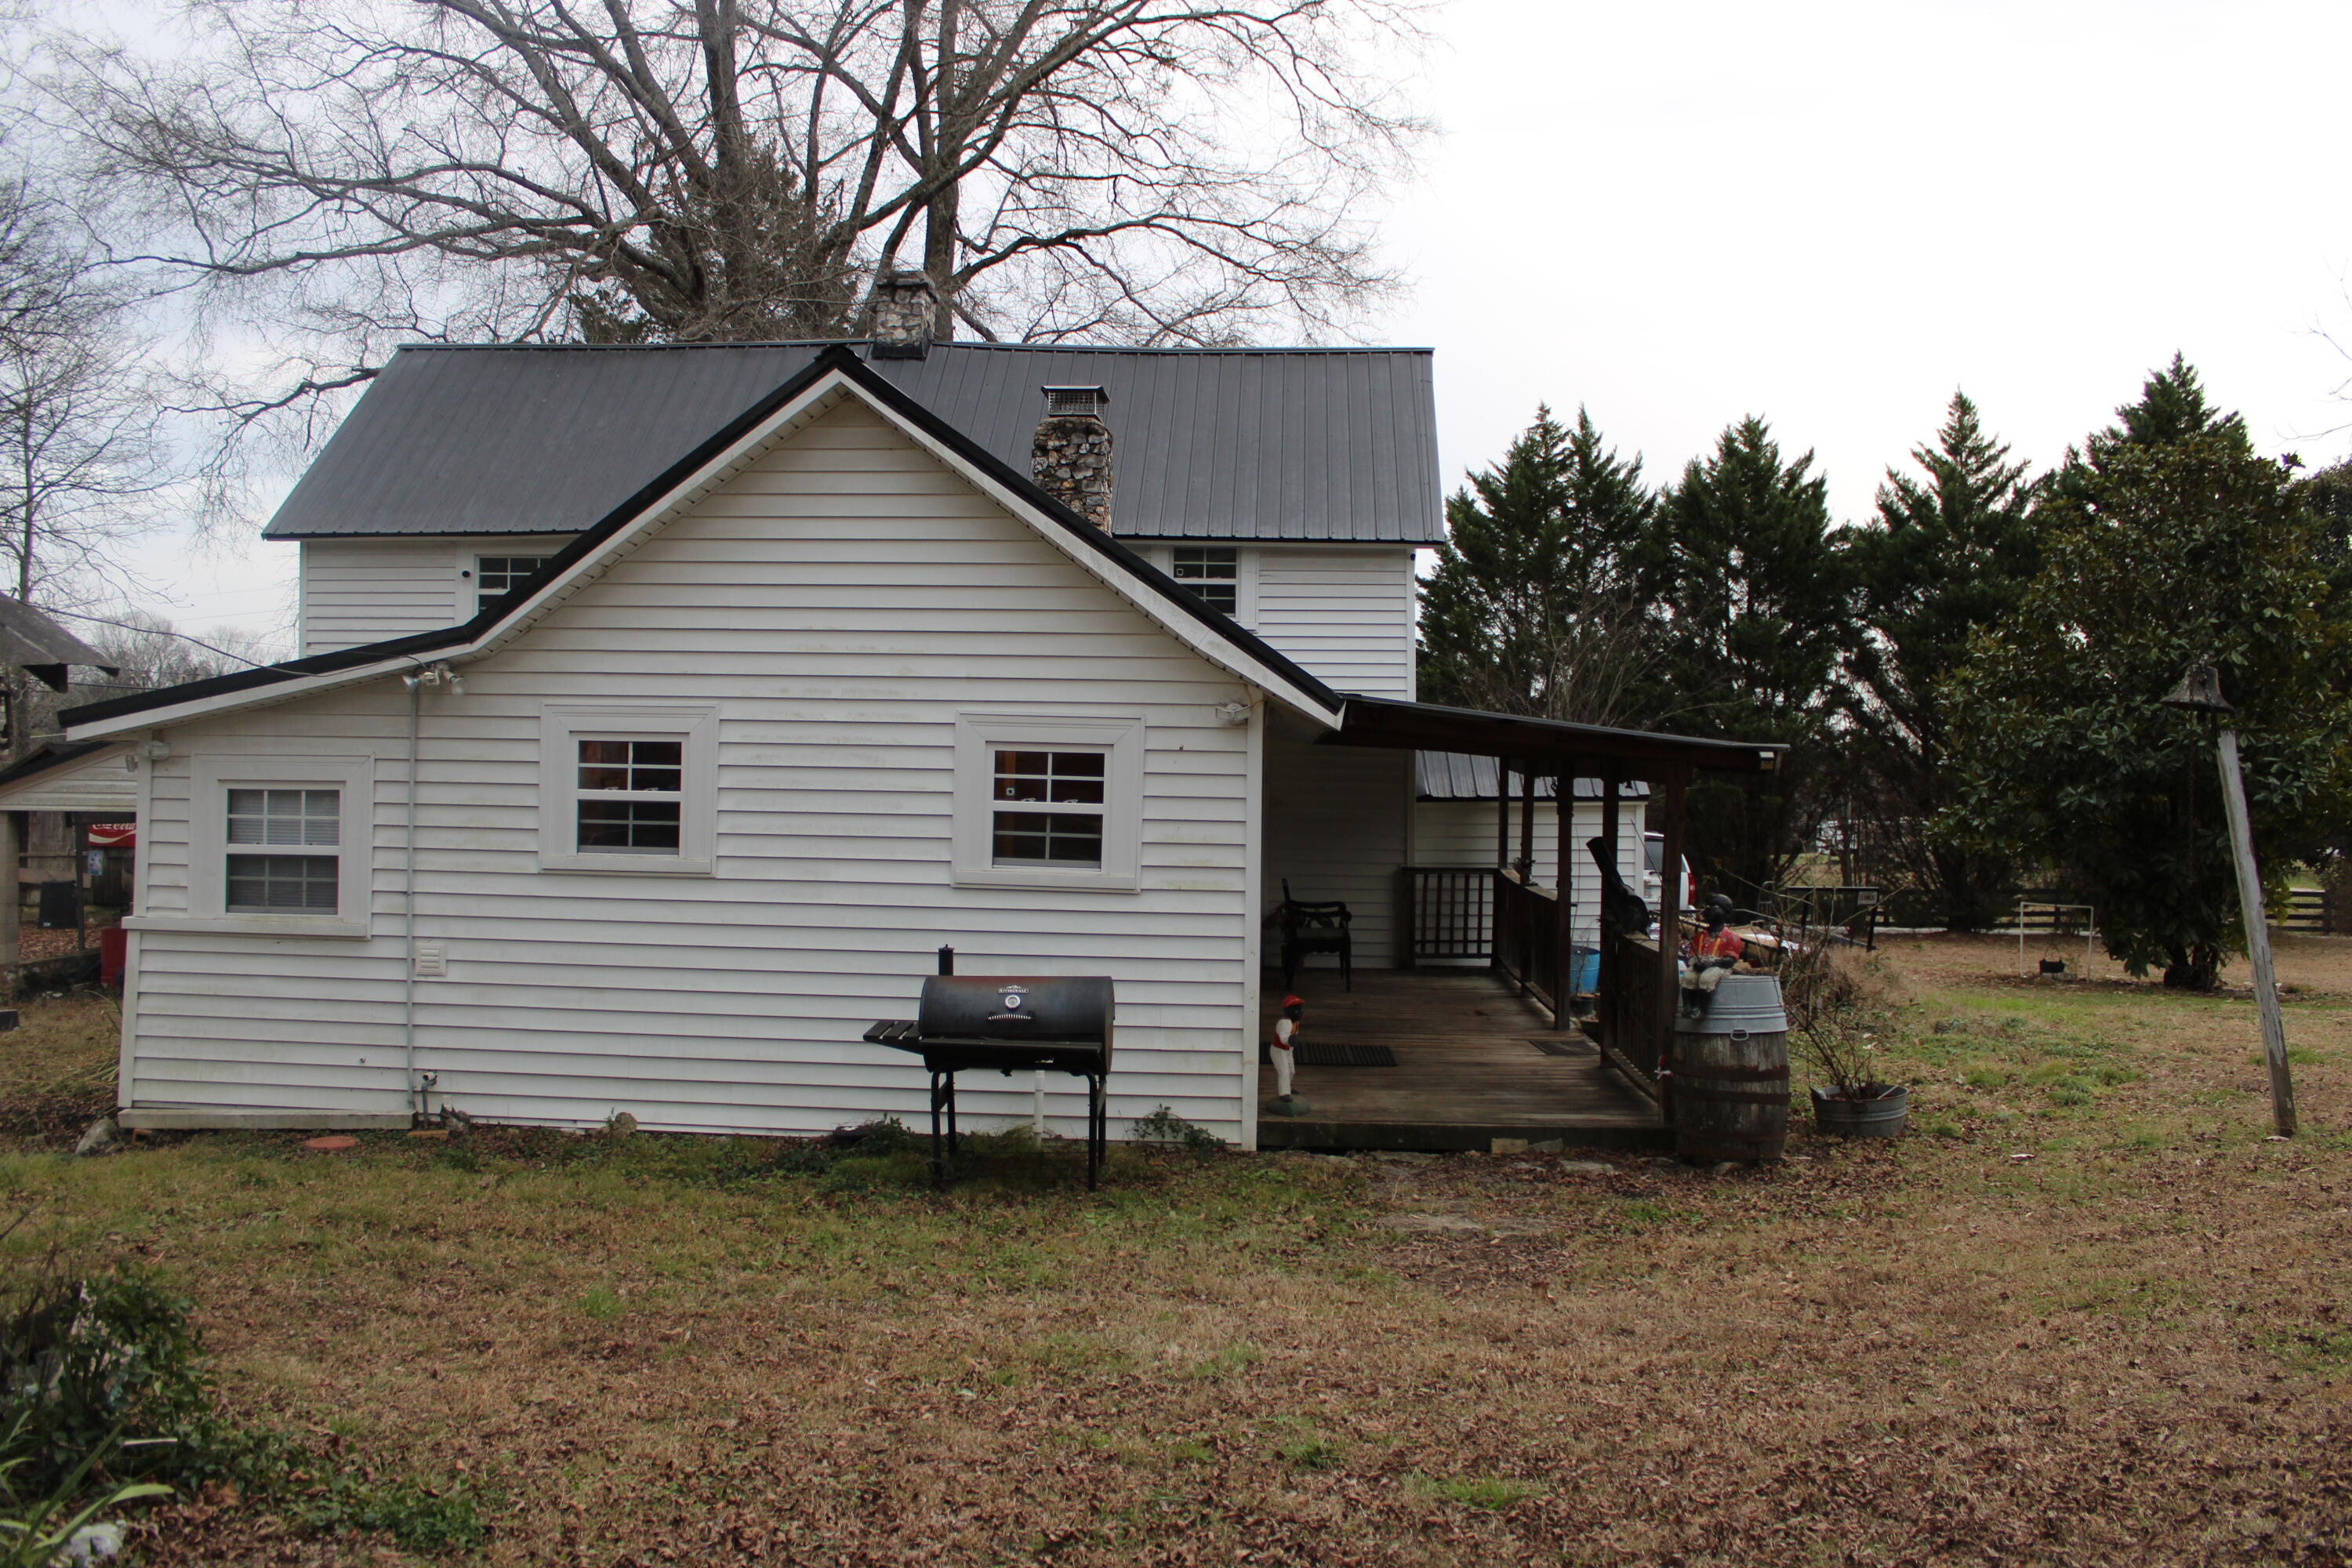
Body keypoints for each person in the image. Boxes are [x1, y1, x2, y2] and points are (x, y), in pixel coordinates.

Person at [1679, 895, 1745, 1019]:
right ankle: (1687, 1007)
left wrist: (1711, 964)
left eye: (1714, 907)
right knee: (1688, 977)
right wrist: (1695, 963)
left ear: (1726, 913)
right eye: (1708, 907)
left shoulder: (1731, 937)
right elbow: (1693, 954)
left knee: (1707, 978)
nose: (1709, 910)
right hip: (1701, 965)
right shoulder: (1700, 936)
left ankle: (1699, 1008)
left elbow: (1730, 961)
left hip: (1718, 967)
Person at [1270, 994, 1304, 1100]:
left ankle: (1287, 1087)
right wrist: (1290, 1040)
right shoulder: (1284, 1022)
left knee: (1291, 1071)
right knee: (1284, 1071)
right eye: (1297, 1010)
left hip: (1288, 1050)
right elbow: (1283, 1038)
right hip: (1279, 1050)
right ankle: (1284, 1093)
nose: (1300, 1012)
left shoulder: (1295, 1022)